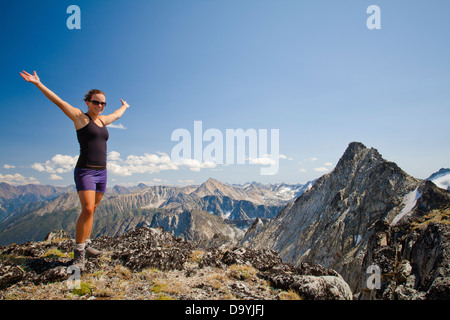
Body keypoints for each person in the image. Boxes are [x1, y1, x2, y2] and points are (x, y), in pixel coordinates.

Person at [20, 70, 130, 269]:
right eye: (96, 102)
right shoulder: (80, 118)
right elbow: (59, 102)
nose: (100, 106)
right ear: (88, 102)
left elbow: (116, 115)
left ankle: (87, 243)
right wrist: (38, 83)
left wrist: (124, 107)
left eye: (103, 103)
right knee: (87, 209)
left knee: (93, 210)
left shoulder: (102, 120)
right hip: (85, 171)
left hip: (102, 172)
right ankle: (79, 253)